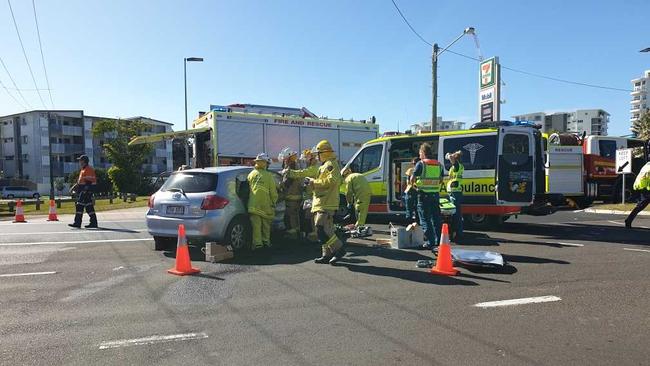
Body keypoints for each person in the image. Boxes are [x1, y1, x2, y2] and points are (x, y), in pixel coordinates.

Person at [305, 140, 345, 264]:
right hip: (320, 201)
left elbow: (332, 181)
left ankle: (339, 249)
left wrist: (313, 182)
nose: (317, 156)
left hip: (327, 202)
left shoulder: (331, 164)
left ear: (324, 153)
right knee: (325, 229)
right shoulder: (324, 165)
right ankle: (326, 255)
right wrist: (311, 183)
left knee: (320, 227)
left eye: (318, 153)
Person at [410, 143, 443, 251]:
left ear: (423, 153)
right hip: (435, 195)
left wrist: (415, 186)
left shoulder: (421, 164)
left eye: (420, 152)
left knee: (425, 219)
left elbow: (412, 179)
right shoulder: (439, 164)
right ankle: (439, 241)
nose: (419, 155)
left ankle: (430, 242)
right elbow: (441, 180)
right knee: (436, 219)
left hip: (423, 195)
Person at [287, 149, 320, 242]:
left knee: (313, 215)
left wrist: (291, 173)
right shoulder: (315, 166)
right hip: (312, 196)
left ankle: (316, 235)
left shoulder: (314, 168)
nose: (306, 161)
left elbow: (304, 173)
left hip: (315, 196)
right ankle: (315, 234)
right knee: (310, 215)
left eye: (307, 159)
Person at [247, 153, 278, 250]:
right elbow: (273, 191)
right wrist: (274, 201)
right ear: (264, 163)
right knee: (266, 225)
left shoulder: (251, 174)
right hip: (265, 204)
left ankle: (257, 244)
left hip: (253, 204)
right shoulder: (268, 176)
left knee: (256, 226)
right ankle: (266, 242)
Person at [278, 148, 302, 240]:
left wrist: (279, 186)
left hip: (292, 196)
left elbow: (287, 183)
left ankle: (292, 235)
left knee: (290, 216)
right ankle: (297, 233)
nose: (284, 161)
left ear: (287, 158)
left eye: (284, 159)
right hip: (296, 195)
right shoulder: (295, 165)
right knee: (295, 215)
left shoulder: (291, 167)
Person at [69, 155, 98, 228]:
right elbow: (81, 181)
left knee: (79, 206)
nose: (79, 162)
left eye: (80, 160)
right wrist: (74, 187)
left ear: (84, 161)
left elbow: (88, 182)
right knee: (89, 207)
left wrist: (85, 191)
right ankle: (93, 223)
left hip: (86, 190)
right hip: (85, 190)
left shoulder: (88, 169)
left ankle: (78, 223)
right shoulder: (83, 169)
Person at [625, 160, 650, 229]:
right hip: (647, 189)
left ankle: (629, 220)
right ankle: (628, 220)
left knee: (640, 206)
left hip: (643, 188)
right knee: (640, 206)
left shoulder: (646, 165)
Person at [446, 150, 464, 242]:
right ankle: (458, 233)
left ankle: (458, 234)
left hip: (455, 192)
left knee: (455, 214)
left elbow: (450, 157)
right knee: (456, 213)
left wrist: (450, 154)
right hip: (455, 191)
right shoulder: (458, 166)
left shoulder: (456, 166)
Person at [403, 157, 420, 225]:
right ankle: (411, 224)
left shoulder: (412, 170)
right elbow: (408, 181)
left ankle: (413, 224)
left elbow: (408, 182)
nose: (414, 165)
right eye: (413, 163)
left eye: (414, 163)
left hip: (414, 191)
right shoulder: (411, 170)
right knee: (412, 209)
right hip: (412, 191)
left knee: (414, 209)